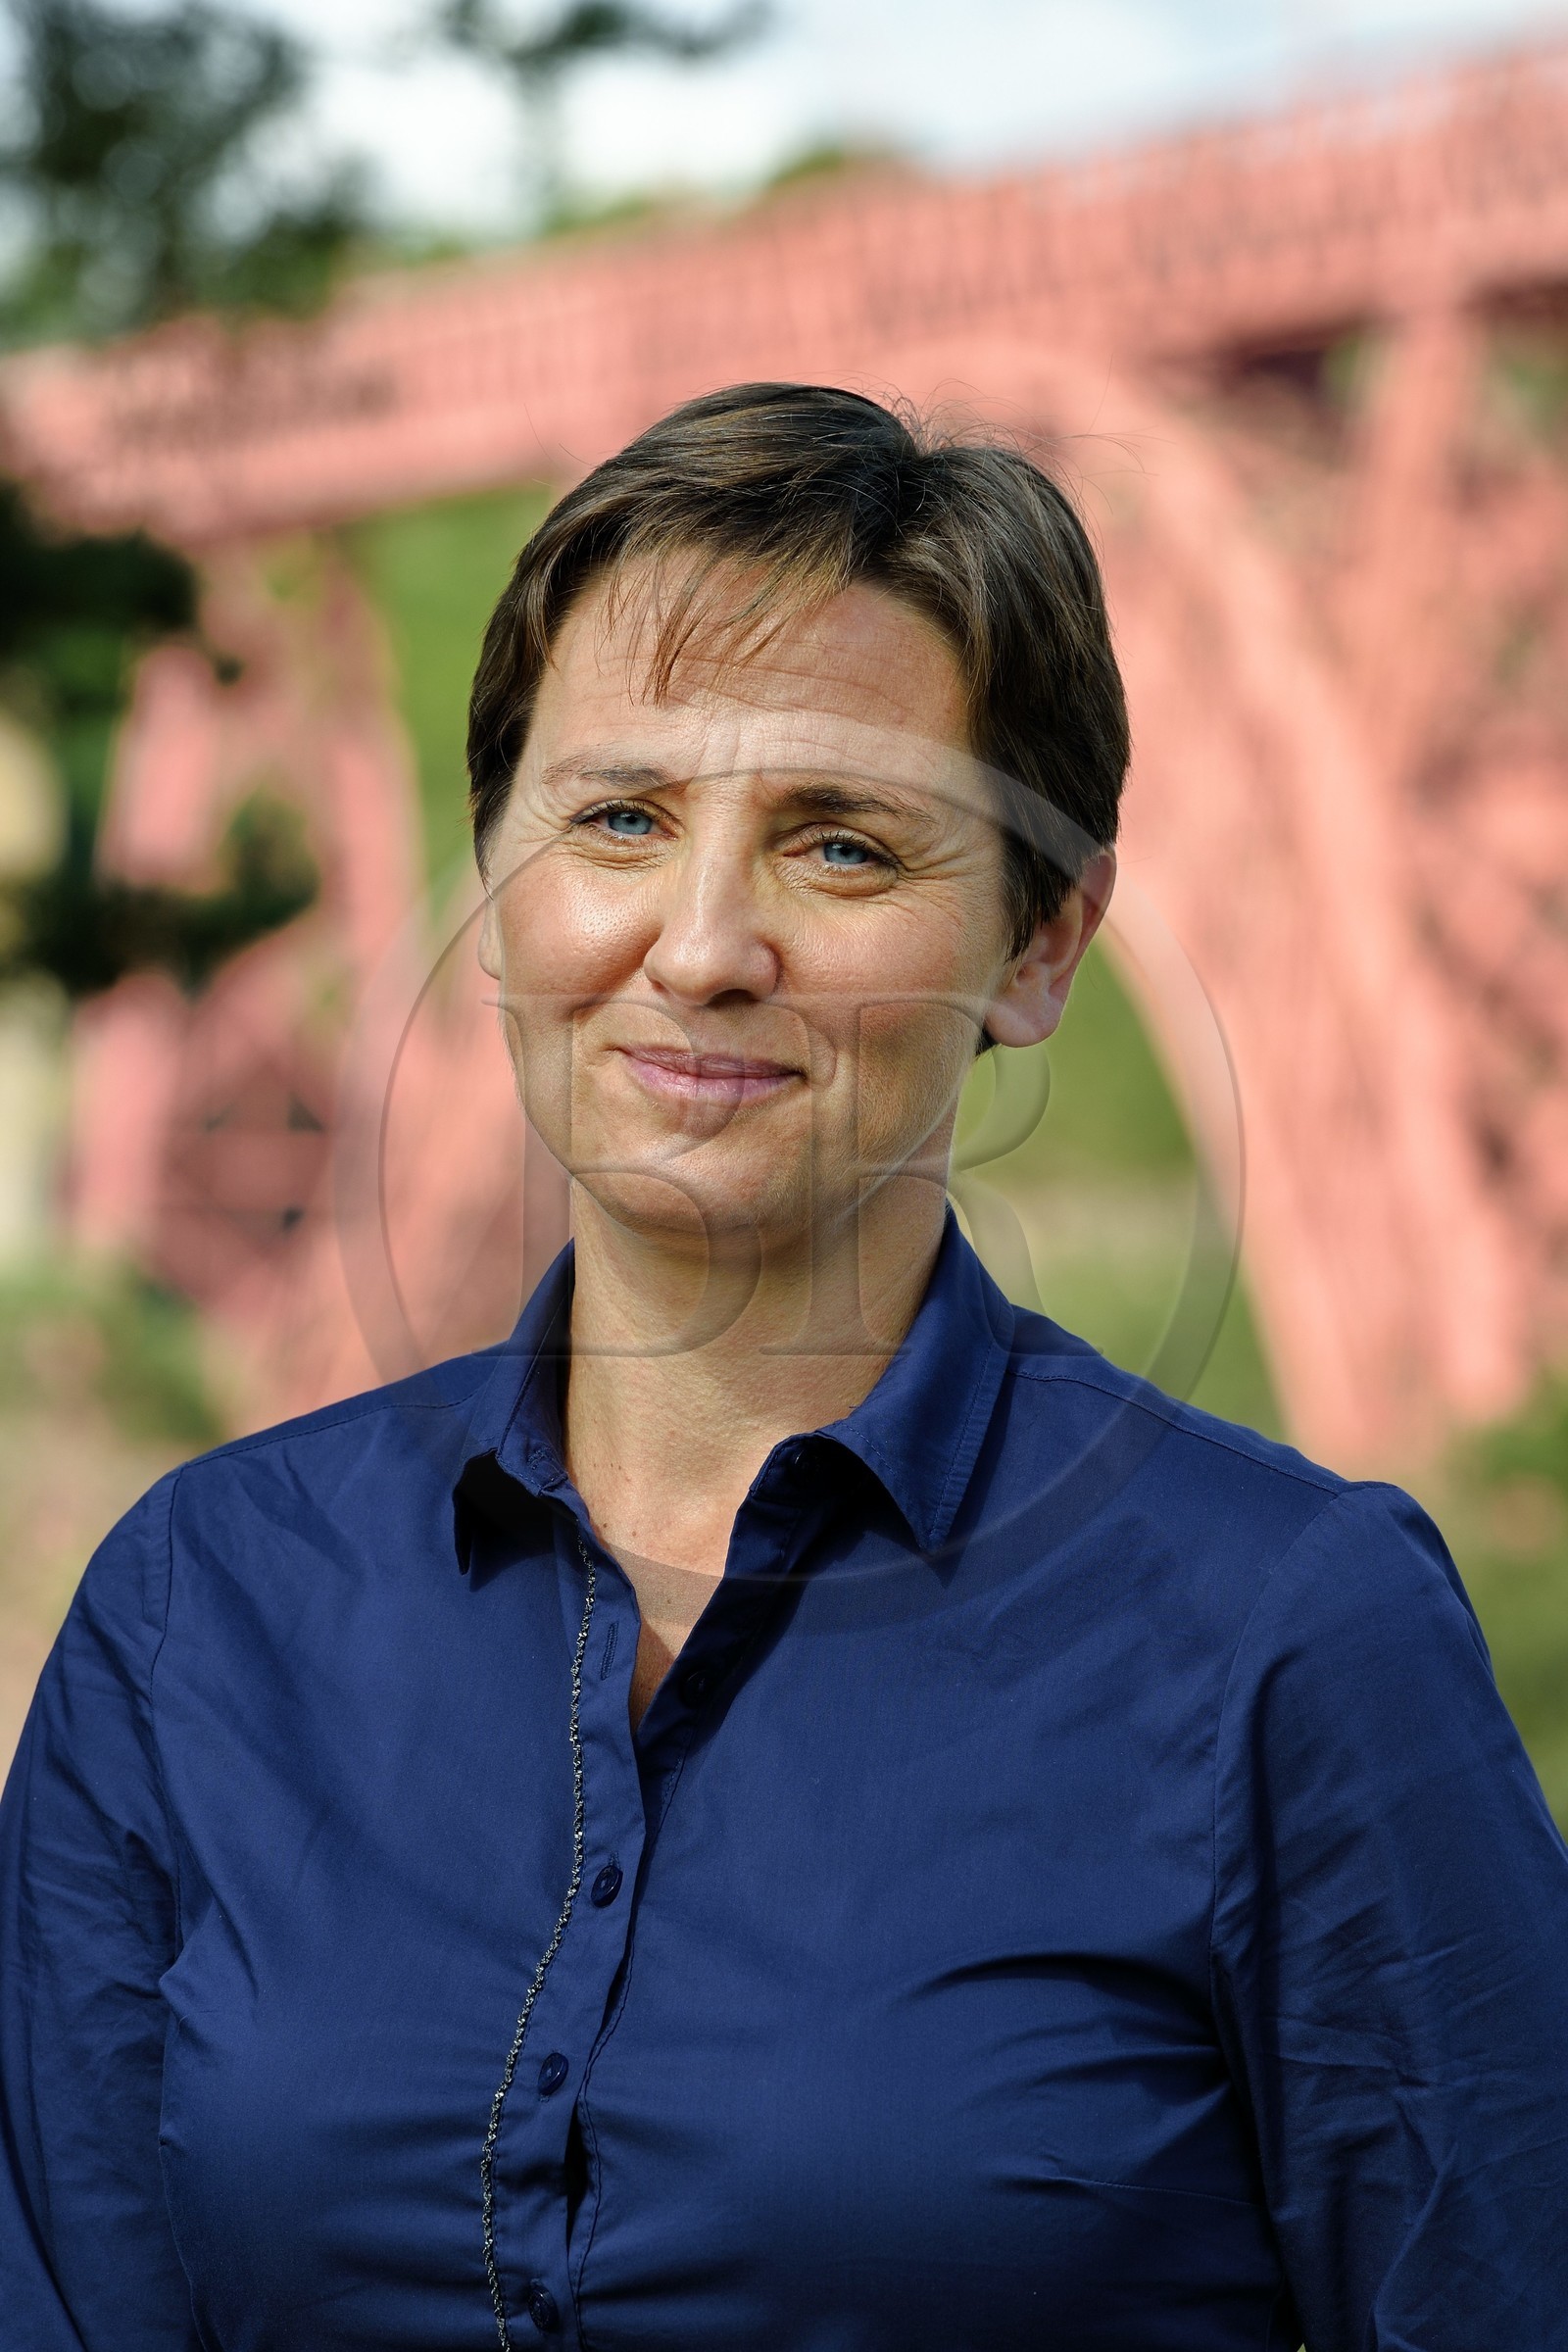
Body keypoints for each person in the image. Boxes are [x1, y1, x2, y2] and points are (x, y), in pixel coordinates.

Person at [2, 383, 1566, 2352]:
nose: (702, 946)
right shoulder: (198, 1608)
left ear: (1037, 946)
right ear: (495, 891)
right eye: (619, 820)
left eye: (840, 845)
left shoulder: (1292, 1638)